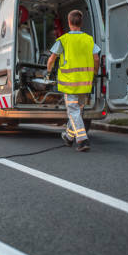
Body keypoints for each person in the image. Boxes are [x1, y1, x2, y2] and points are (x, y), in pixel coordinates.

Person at [46, 10, 100, 152]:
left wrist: (48, 71)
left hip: (69, 83)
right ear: (81, 23)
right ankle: (69, 137)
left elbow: (51, 59)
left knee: (73, 112)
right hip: (85, 83)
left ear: (69, 23)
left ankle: (82, 140)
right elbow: (96, 59)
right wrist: (94, 72)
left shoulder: (63, 40)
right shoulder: (89, 39)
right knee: (77, 111)